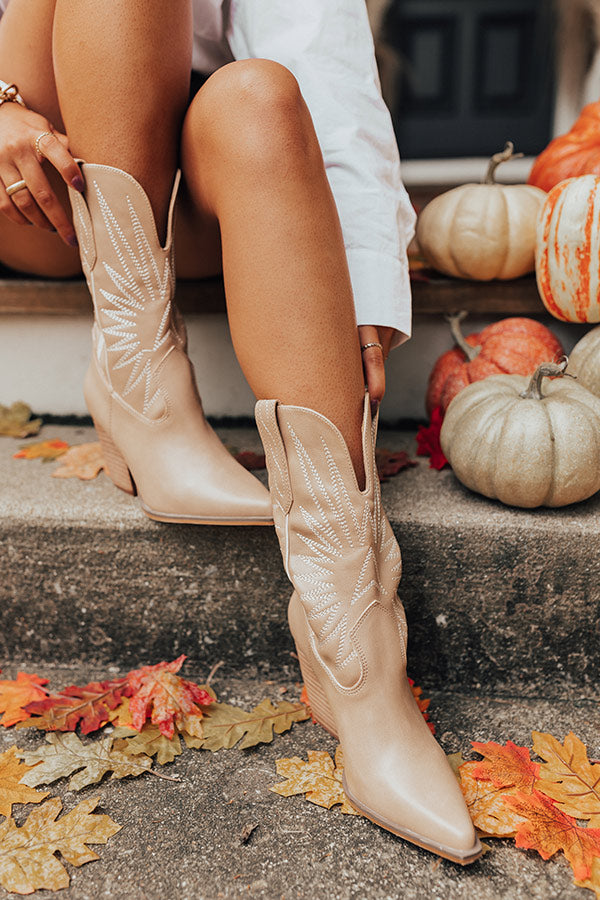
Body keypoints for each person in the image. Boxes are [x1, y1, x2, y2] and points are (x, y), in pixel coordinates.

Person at [0, 0, 480, 863]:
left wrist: (361, 281)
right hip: (30, 175)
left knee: (260, 96)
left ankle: (356, 661)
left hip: (163, 180)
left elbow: (327, 71)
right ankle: (140, 376)